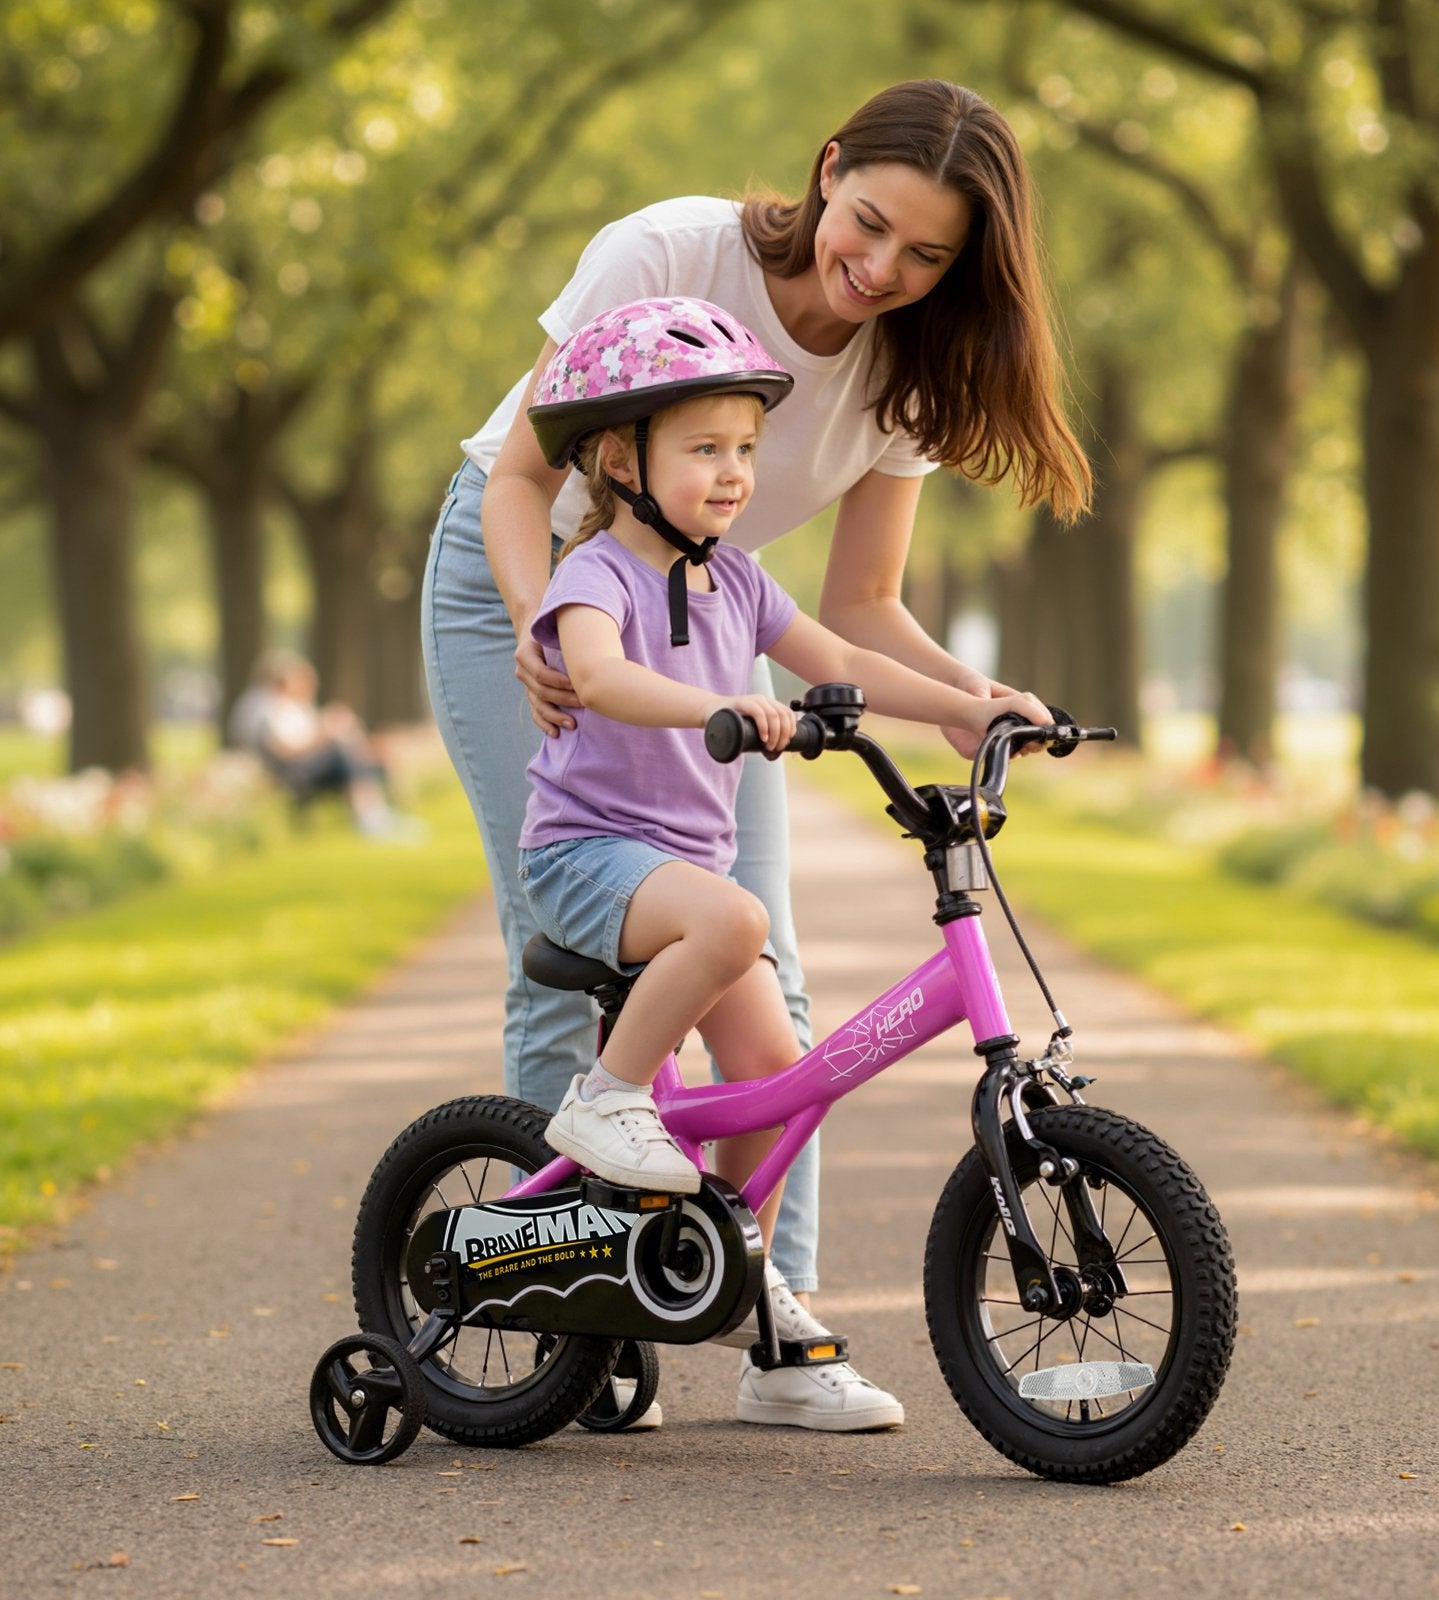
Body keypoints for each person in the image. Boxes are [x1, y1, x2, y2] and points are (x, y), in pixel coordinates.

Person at [421, 78, 1091, 1428]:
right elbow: (516, 478)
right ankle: (568, 1310)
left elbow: (852, 615)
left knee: (759, 965)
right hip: (538, 580)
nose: (882, 270)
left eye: (928, 256)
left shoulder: (904, 368)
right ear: (828, 166)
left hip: (715, 609)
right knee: (573, 950)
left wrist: (968, 698)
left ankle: (762, 1317)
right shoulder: (668, 250)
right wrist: (539, 635)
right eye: (869, 222)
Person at [520, 295, 1053, 1429]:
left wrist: (971, 706)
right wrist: (722, 705)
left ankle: (722, 1273)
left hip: (682, 876)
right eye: (703, 448)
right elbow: (602, 677)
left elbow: (842, 661)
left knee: (776, 1077)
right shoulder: (597, 577)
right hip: (587, 857)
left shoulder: (740, 582)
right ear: (620, 456)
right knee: (737, 920)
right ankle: (603, 1098)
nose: (732, 473)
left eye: (747, 450)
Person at [229, 647, 421, 840]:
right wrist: (324, 735)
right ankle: (369, 817)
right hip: (291, 772)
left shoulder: (289, 706)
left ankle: (376, 813)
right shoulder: (267, 707)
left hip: (302, 766)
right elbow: (283, 750)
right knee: (343, 755)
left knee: (359, 754)